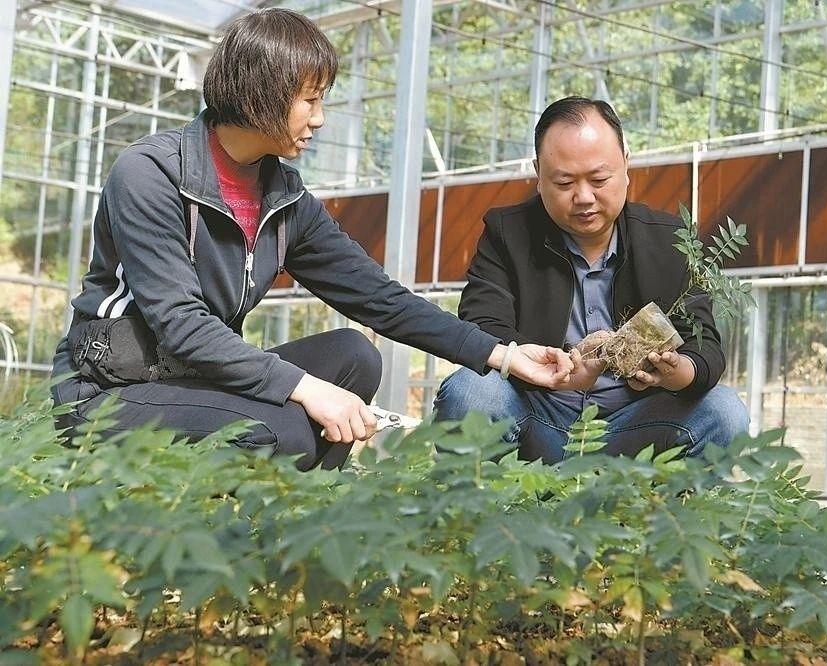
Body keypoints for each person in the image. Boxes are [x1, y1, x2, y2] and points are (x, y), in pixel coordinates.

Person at [50, 9, 579, 471]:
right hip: (112, 389)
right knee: (294, 428)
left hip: (196, 381)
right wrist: (306, 389)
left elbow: (382, 301)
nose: (320, 119)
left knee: (354, 357)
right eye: (310, 100)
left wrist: (504, 356)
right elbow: (181, 324)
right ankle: (235, 535)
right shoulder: (150, 174)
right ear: (263, 94)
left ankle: (279, 526)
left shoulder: (284, 199)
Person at [434, 96, 749, 464]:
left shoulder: (669, 239)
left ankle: (665, 518)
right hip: (538, 416)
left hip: (635, 426)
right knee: (471, 393)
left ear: (626, 164)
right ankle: (487, 517)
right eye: (564, 182)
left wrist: (674, 372)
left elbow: (705, 346)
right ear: (539, 174)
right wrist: (551, 368)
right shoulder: (507, 233)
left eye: (599, 179)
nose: (584, 197)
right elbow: (482, 325)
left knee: (724, 413)